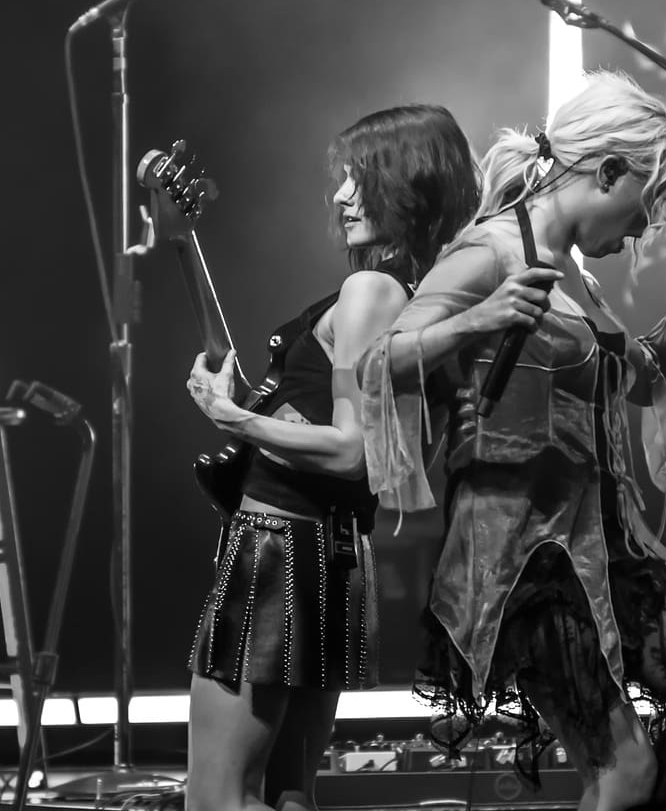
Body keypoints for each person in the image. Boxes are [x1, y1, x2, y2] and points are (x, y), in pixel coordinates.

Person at [359, 70, 666, 811]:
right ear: (607, 172)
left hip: (606, 544)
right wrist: (477, 321)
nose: (641, 230)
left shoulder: (576, 278)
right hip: (526, 557)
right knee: (623, 772)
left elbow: (644, 374)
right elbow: (378, 361)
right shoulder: (488, 250)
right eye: (644, 207)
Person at [183, 104, 480, 811]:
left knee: (218, 797)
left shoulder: (370, 290)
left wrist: (230, 417)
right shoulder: (426, 301)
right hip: (330, 554)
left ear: (409, 187)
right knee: (287, 794)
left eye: (360, 178)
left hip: (279, 548)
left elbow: (351, 453)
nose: (342, 196)